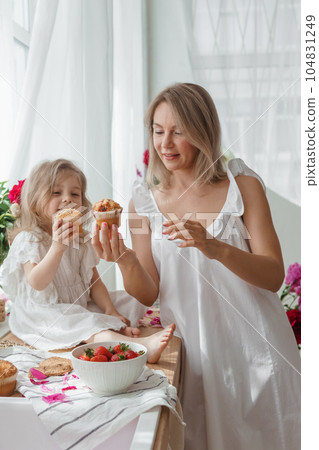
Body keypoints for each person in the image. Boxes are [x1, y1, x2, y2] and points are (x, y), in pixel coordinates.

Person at [92, 83, 301, 449]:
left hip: (259, 353)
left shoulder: (244, 186)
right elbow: (149, 291)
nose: (165, 143)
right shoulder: (142, 203)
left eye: (179, 131)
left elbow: (272, 275)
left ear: (203, 131)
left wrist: (213, 246)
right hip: (198, 361)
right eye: (158, 131)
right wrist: (123, 258)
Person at [0, 159, 175, 362]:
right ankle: (139, 346)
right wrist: (57, 247)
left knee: (125, 300)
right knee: (87, 322)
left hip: (77, 304)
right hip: (43, 313)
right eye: (56, 193)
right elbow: (37, 282)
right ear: (34, 202)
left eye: (75, 194)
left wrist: (110, 309)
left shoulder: (80, 239)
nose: (67, 199)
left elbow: (94, 281)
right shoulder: (30, 238)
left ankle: (112, 327)